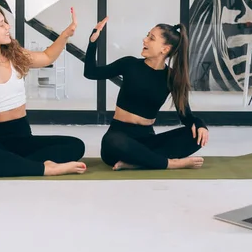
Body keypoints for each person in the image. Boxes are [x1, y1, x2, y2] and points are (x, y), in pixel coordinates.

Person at [0, 5, 87, 177]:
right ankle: (45, 168)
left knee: (75, 145)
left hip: (23, 137)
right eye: (1, 24)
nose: (7, 27)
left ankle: (3, 165)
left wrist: (65, 35)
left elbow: (47, 56)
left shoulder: (15, 56)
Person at [84, 17, 209, 171]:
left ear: (165, 49)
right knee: (114, 141)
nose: (145, 40)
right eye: (147, 35)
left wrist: (201, 125)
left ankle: (138, 162)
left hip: (147, 140)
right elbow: (90, 72)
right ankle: (169, 163)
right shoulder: (129, 64)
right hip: (118, 138)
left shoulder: (172, 78)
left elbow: (186, 117)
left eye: (151, 38)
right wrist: (93, 41)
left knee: (196, 136)